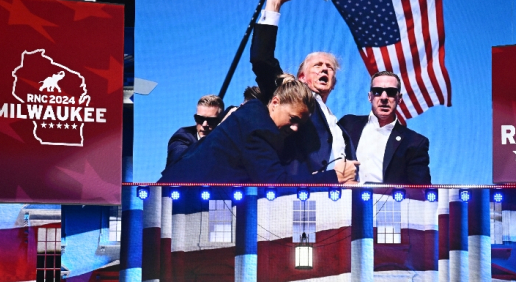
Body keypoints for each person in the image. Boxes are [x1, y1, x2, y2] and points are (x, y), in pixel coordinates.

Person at [158, 75, 358, 184]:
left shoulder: (252, 114)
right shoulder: (257, 131)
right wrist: (333, 177)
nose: (295, 128)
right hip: (179, 205)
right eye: (293, 119)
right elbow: (275, 183)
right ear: (275, 102)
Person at [250, 0, 354, 177]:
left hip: (340, 198)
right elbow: (262, 60)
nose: (324, 69)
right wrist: (273, 6)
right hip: (301, 195)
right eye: (317, 66)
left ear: (334, 83)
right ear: (301, 78)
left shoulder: (338, 124)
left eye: (329, 67)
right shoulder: (290, 97)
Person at [339, 71, 431, 184]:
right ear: (370, 97)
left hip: (390, 201)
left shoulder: (415, 142)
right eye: (377, 92)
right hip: (343, 199)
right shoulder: (348, 124)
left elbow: (420, 191)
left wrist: (361, 187)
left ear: (399, 98)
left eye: (391, 92)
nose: (384, 97)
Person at [164, 95, 224, 167]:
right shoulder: (182, 137)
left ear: (220, 121)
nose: (204, 124)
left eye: (211, 120)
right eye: (200, 119)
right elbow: (182, 162)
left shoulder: (225, 140)